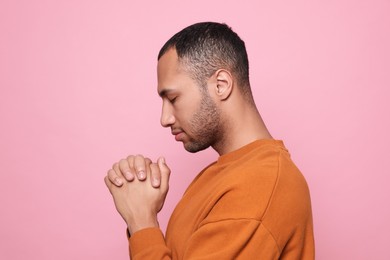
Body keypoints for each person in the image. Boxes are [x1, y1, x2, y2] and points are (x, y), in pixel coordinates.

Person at [104, 22, 315, 259]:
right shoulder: (225, 174)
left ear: (221, 85)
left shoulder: (260, 185)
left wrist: (141, 220)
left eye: (173, 98)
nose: (164, 118)